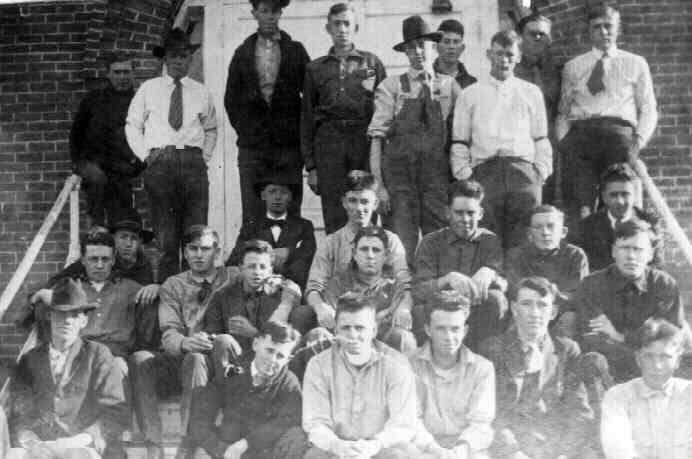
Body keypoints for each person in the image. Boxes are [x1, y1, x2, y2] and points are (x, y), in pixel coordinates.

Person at [129, 226, 242, 459]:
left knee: (196, 359)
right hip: (182, 356)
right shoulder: (173, 285)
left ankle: (187, 442)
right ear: (185, 252)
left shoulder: (233, 276)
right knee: (140, 359)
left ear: (217, 252)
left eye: (206, 249)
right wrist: (186, 342)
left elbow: (269, 278)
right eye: (193, 249)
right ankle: (154, 443)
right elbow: (169, 331)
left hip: (218, 363)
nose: (199, 255)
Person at [126, 28, 217, 282]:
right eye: (174, 56)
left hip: (193, 164)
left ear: (190, 59)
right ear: (165, 58)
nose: (179, 61)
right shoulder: (148, 89)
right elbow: (132, 125)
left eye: (184, 56)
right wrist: (146, 155)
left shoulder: (201, 91)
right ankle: (170, 295)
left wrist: (204, 156)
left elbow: (211, 128)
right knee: (166, 238)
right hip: (161, 164)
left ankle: (195, 294)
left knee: (195, 234)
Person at [368, 15, 462, 264]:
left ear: (434, 46)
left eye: (423, 45)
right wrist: (380, 186)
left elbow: (461, 138)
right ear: (405, 52)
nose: (418, 52)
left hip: (435, 179)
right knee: (400, 247)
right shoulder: (390, 87)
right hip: (400, 180)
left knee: (441, 244)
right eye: (411, 47)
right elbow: (377, 139)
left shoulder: (451, 86)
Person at [451, 29, 552, 250]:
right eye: (499, 54)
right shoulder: (471, 94)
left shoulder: (531, 92)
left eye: (509, 54)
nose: (504, 60)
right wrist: (466, 175)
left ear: (518, 56)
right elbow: (459, 141)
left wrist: (540, 171)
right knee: (487, 237)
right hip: (485, 172)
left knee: (525, 238)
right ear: (489, 54)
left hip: (523, 173)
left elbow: (541, 137)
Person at [8, 278, 129, 459]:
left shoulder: (98, 355)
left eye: (74, 315)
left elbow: (115, 412)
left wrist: (78, 441)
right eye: (59, 314)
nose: (66, 321)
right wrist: (32, 442)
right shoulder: (30, 359)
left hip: (83, 443)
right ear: (50, 317)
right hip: (40, 445)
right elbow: (19, 410)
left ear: (83, 321)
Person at [556, 3, 657, 219]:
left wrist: (638, 141)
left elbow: (649, 108)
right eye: (597, 27)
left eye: (609, 26)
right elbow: (563, 111)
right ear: (589, 31)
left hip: (618, 136)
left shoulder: (636, 63)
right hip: (581, 136)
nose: (603, 31)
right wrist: (563, 141)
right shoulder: (573, 66)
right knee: (581, 204)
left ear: (618, 28)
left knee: (618, 200)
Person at [478, 277, 594, 459]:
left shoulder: (567, 350)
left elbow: (579, 412)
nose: (535, 313)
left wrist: (564, 453)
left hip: (554, 448)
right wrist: (512, 452)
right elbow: (490, 415)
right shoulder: (493, 349)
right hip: (509, 449)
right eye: (526, 304)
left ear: (553, 311)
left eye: (542, 305)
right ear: (514, 309)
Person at [301, 2, 386, 233]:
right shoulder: (315, 69)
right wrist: (312, 167)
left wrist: (379, 161)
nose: (342, 29)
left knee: (367, 206)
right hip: (329, 144)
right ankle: (338, 266)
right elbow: (307, 118)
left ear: (355, 27)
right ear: (327, 28)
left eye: (347, 23)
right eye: (336, 24)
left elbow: (384, 114)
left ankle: (368, 261)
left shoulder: (372, 63)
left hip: (362, 142)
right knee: (334, 210)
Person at [302, 295, 421, 459]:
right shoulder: (318, 365)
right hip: (336, 448)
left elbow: (404, 423)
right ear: (335, 330)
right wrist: (337, 446)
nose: (352, 335)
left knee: (406, 453)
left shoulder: (396, 364)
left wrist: (374, 445)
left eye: (360, 328)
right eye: (345, 328)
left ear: (373, 330)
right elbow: (315, 422)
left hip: (381, 447)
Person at [225, 0, 310, 225]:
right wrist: (249, 131)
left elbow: (310, 98)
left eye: (274, 11)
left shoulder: (295, 51)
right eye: (264, 11)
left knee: (289, 213)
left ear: (281, 13)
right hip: (253, 148)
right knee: (253, 213)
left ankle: (288, 259)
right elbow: (231, 101)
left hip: (287, 148)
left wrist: (296, 134)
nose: (270, 16)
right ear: (255, 13)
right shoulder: (243, 52)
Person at [573, 219, 688, 382]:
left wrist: (618, 336)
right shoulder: (592, 284)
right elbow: (594, 338)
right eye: (624, 248)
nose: (631, 256)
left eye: (638, 249)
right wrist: (640, 341)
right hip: (608, 369)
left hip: (655, 367)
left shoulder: (664, 285)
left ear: (650, 254)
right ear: (613, 251)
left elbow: (668, 338)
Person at [305, 170, 410, 331]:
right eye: (353, 201)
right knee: (304, 314)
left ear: (375, 203)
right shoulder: (331, 243)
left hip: (381, 312)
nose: (359, 208)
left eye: (365, 201)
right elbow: (314, 286)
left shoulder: (390, 240)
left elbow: (404, 283)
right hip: (340, 313)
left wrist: (402, 308)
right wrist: (321, 308)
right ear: (344, 203)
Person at [189, 321, 307, 459]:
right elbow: (200, 419)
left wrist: (247, 443)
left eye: (280, 356)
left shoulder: (289, 383)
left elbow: (290, 421)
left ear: (288, 359)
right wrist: (220, 449)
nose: (272, 360)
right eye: (269, 350)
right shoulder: (232, 375)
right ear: (255, 344)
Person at [413, 180, 508, 350]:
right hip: (441, 313)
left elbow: (505, 282)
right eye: (459, 213)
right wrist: (447, 279)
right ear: (448, 212)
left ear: (480, 213)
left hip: (476, 315)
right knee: (420, 311)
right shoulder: (431, 242)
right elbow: (419, 290)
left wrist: (491, 272)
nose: (465, 219)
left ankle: (484, 356)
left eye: (471, 213)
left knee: (496, 300)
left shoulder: (490, 241)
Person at [411, 291, 495, 459]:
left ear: (465, 330)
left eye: (455, 329)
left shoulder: (482, 368)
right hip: (423, 448)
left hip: (464, 449)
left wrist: (460, 451)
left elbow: (481, 424)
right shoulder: (408, 364)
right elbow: (410, 420)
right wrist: (436, 452)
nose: (448, 337)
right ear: (428, 329)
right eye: (441, 329)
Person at [70, 52, 144, 227]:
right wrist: (79, 163)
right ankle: (96, 229)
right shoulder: (93, 100)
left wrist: (137, 166)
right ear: (108, 74)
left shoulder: (140, 102)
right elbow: (76, 134)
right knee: (97, 181)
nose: (122, 77)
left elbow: (148, 137)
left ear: (133, 73)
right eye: (117, 72)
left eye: (126, 72)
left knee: (122, 218)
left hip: (122, 167)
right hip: (94, 163)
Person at [601, 318, 692, 459]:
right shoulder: (617, 397)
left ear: (677, 361)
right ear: (638, 359)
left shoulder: (689, 394)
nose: (657, 366)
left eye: (665, 357)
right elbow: (618, 452)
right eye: (649, 357)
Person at [317, 226, 416, 354]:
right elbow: (334, 321)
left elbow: (395, 316)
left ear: (385, 255)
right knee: (319, 334)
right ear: (354, 254)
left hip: (383, 348)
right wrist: (379, 316)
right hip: (347, 344)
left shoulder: (395, 285)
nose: (370, 255)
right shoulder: (337, 283)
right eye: (364, 249)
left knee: (402, 337)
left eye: (376, 250)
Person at [204, 239, 303, 352]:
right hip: (234, 361)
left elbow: (285, 343)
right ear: (241, 268)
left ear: (270, 270)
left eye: (262, 267)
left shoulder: (280, 294)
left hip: (270, 362)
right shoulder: (222, 296)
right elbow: (213, 334)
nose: (257, 272)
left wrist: (253, 333)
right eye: (251, 266)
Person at [225, 177, 316, 290]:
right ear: (263, 196)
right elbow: (234, 260)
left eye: (283, 192)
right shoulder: (251, 227)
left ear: (290, 197)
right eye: (272, 192)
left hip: (293, 288)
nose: (277, 197)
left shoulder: (304, 226)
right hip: (258, 290)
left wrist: (289, 252)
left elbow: (310, 256)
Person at [575, 162, 662, 271]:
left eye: (625, 194)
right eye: (613, 195)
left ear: (634, 195)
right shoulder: (587, 227)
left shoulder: (649, 222)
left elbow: (656, 267)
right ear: (604, 197)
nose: (620, 201)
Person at [514, 13, 562, 204]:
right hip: (520, 144)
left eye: (543, 35)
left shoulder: (557, 71)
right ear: (520, 38)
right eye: (533, 34)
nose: (538, 39)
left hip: (548, 144)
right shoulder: (512, 71)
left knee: (549, 199)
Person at [504, 204, 589, 302]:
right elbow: (514, 293)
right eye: (538, 227)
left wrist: (558, 295)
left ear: (563, 232)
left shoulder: (575, 255)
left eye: (551, 226)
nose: (545, 232)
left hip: (564, 310)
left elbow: (581, 295)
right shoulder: (516, 255)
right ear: (529, 234)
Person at [433, 19, 477, 90]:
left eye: (456, 42)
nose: (451, 46)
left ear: (462, 48)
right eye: (446, 41)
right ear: (437, 47)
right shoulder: (427, 77)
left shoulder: (472, 83)